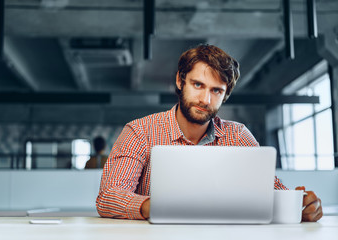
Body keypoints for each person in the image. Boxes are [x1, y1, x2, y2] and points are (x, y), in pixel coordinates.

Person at [96, 44, 323, 221]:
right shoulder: (140, 132)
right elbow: (109, 197)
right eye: (198, 85)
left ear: (225, 95)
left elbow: (272, 190)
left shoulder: (238, 136)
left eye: (216, 91)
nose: (205, 99)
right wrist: (153, 206)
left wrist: (300, 205)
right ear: (180, 80)